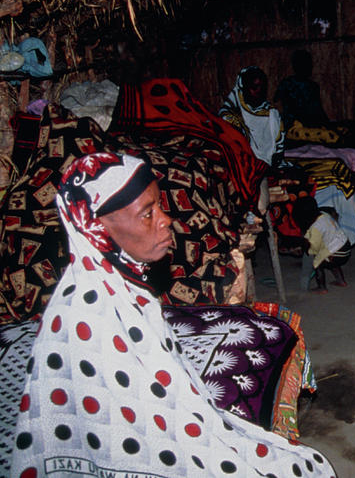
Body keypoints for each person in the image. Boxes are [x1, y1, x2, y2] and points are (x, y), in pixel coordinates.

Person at [11, 152, 335, 477]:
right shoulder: (88, 311)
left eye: (160, 206)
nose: (166, 220)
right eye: (147, 214)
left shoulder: (117, 281)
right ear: (96, 228)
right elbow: (134, 430)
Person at [220, 65, 285, 166]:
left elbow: (279, 148)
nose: (259, 91)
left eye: (262, 88)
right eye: (254, 87)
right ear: (243, 88)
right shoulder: (230, 117)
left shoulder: (272, 114)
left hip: (268, 166)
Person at [275, 49, 329, 128]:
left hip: (311, 124)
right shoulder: (287, 84)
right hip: (293, 126)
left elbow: (318, 111)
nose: (311, 67)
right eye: (308, 64)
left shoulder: (313, 86)